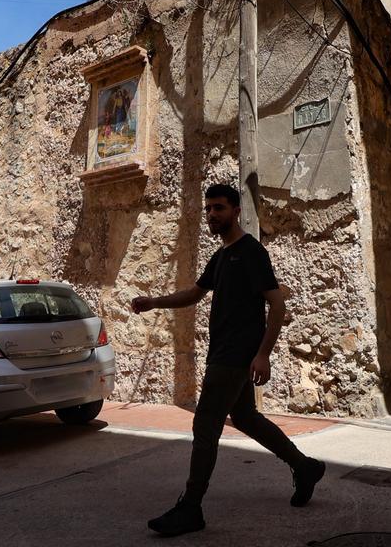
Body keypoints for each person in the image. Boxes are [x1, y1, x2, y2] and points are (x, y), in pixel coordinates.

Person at [133, 183, 326, 537]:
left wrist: (263, 354)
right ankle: (305, 466)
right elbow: (194, 293)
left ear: (236, 211)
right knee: (246, 417)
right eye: (208, 209)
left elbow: (277, 304)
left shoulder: (251, 252)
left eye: (219, 208)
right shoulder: (220, 256)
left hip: (235, 355)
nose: (212, 215)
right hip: (223, 351)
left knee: (206, 425)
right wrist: (154, 302)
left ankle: (191, 508)